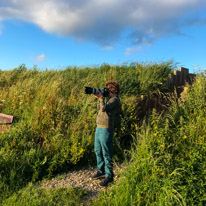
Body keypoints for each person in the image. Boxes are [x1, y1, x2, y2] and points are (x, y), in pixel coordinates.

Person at [92, 81, 121, 187]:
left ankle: (109, 175)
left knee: (106, 153)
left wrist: (101, 98)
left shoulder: (115, 100)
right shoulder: (108, 99)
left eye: (107, 90)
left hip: (106, 129)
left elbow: (104, 108)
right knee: (97, 150)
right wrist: (99, 98)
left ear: (113, 90)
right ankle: (101, 171)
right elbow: (99, 109)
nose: (105, 91)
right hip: (99, 127)